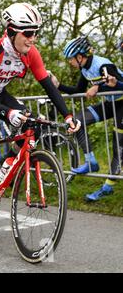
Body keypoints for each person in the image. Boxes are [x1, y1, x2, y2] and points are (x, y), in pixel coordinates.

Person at [0, 3, 81, 233]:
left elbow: (49, 87)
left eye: (36, 33)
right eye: (28, 33)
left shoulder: (31, 54)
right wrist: (8, 113)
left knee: (34, 125)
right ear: (11, 31)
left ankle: (6, 166)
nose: (33, 39)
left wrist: (68, 115)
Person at [51, 36, 123, 201]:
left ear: (80, 56)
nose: (70, 62)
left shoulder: (103, 65)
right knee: (76, 121)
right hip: (111, 104)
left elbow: (119, 84)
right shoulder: (84, 70)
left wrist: (100, 86)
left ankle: (108, 187)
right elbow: (77, 90)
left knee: (118, 145)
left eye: (71, 59)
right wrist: (58, 85)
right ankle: (91, 161)